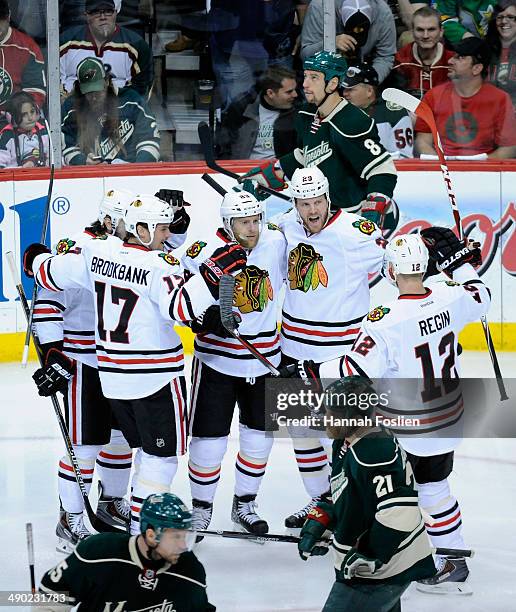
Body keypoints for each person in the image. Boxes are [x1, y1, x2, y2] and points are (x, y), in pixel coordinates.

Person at [24, 195, 247, 535]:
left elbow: (45, 271)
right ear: (139, 229)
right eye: (159, 229)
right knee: (158, 460)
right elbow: (183, 308)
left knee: (133, 450)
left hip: (113, 376)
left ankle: (122, 514)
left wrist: (37, 257)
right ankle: (140, 537)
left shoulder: (98, 256)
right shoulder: (160, 266)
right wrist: (213, 274)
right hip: (154, 380)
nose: (165, 236)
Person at [300, 231, 489, 593]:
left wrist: (310, 369)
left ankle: (383, 551)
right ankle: (453, 558)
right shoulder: (451, 296)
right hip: (450, 416)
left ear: (391, 270)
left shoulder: (385, 318)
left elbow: (353, 371)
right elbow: (482, 295)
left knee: (390, 487)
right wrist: (463, 265)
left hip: (411, 427)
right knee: (435, 486)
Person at [275, 166, 386, 527]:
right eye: (304, 203)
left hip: (340, 355)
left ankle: (356, 505)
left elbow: (396, 265)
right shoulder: (283, 226)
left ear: (328, 198)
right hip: (293, 348)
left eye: (318, 201)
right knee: (301, 429)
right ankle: (320, 503)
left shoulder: (355, 233)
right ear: (294, 203)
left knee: (346, 433)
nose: (312, 210)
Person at [32, 189, 135, 552]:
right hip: (84, 363)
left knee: (122, 439)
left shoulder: (129, 251)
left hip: (121, 362)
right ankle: (70, 519)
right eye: (128, 223)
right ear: (110, 221)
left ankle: (109, 504)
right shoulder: (77, 252)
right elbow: (47, 303)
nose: (135, 229)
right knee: (84, 446)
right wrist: (53, 355)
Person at [181, 190, 286, 536]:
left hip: (265, 360)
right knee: (208, 442)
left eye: (256, 220)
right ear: (228, 224)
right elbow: (175, 290)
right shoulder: (205, 251)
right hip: (216, 362)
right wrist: (201, 317)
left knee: (260, 440)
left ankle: (244, 503)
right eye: (244, 222)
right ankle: (200, 508)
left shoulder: (276, 241)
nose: (252, 228)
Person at [297, 377, 436, 611]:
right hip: (373, 565)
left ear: (353, 417)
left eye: (333, 413)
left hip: (380, 569)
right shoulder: (345, 441)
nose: (326, 418)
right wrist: (321, 520)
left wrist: (371, 554)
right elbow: (346, 495)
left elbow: (399, 510)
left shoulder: (374, 449)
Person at [242, 50, 397, 222]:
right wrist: (272, 174)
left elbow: (382, 169)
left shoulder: (352, 121)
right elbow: (306, 154)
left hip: (348, 217)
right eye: (306, 76)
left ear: (332, 84)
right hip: (317, 213)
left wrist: (375, 204)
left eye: (314, 77)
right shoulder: (306, 114)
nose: (305, 84)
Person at [38, 492, 216, 611]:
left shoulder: (190, 571)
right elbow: (51, 595)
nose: (183, 545)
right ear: (151, 535)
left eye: (185, 536)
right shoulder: (98, 553)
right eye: (176, 537)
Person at [415, 37, 516, 159]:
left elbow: (509, 148)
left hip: (484, 172)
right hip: (442, 170)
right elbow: (422, 141)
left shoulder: (500, 99)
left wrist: (476, 168)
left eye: (460, 57)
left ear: (477, 68)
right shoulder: (433, 96)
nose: (450, 61)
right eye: (453, 56)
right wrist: (442, 166)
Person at [61, 57, 160, 165]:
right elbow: (66, 146)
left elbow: (149, 140)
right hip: (91, 176)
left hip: (130, 173)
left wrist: (138, 168)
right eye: (89, 92)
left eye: (98, 91)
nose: (94, 97)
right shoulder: (71, 108)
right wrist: (83, 161)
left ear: (107, 81)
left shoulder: (131, 101)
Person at [59, 0, 153, 98]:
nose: (103, 17)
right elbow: (54, 83)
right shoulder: (65, 43)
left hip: (120, 109)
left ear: (115, 13)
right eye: (96, 12)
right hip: (74, 108)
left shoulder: (136, 45)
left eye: (108, 11)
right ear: (86, 15)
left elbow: (141, 89)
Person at [301, 0, 396, 84]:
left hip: (365, 68)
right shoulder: (320, 7)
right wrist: (330, 44)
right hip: (326, 73)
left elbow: (385, 55)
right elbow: (306, 56)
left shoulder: (382, 12)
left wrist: (370, 79)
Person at [216, 65, 299, 160]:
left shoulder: (299, 110)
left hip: (282, 170)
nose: (295, 94)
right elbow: (225, 147)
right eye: (289, 92)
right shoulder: (241, 109)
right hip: (245, 169)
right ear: (270, 93)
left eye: (295, 90)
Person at [342, 63, 414, 159]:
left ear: (369, 91)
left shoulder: (394, 112)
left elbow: (403, 157)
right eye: (344, 89)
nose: (345, 93)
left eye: (350, 89)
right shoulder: (340, 112)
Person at [391, 6, 455, 99]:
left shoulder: (452, 61)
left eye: (431, 29)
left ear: (441, 31)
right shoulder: (400, 60)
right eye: (420, 30)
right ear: (412, 31)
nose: (425, 36)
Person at [0, 0, 45, 112]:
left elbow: (35, 91)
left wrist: (20, 117)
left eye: (1, 19)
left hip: (15, 122)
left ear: (9, 16)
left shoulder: (28, 48)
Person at [0, 92, 49, 167]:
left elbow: (55, 157)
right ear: (12, 118)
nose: (30, 118)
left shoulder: (44, 132)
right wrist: (21, 168)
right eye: (24, 114)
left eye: (32, 112)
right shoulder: (7, 137)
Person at [486, 0, 516, 109]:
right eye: (499, 17)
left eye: (510, 17)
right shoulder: (484, 52)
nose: (504, 21)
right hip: (488, 116)